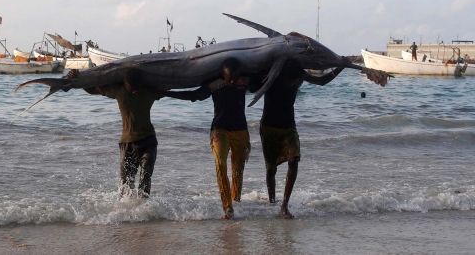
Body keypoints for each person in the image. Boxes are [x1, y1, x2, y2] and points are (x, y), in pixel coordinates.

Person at [159, 58, 256, 219]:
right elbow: (194, 95)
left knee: (238, 169)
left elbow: (262, 83)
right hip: (219, 130)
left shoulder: (245, 80)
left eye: (235, 77)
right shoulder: (214, 83)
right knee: (220, 164)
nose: (232, 81)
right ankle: (228, 208)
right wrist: (167, 93)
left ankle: (236, 200)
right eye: (229, 77)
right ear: (223, 74)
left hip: (241, 131)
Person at [259, 60, 343, 218]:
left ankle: (284, 205)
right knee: (271, 169)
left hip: (289, 127)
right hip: (268, 127)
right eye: (289, 81)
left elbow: (322, 81)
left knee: (293, 160)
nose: (292, 84)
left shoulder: (299, 73)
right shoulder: (273, 73)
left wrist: (340, 68)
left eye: (295, 81)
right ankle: (271, 201)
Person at [65, 68, 162, 198]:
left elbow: (173, 91)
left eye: (137, 88)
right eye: (131, 88)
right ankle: (125, 214)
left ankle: (145, 212)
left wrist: (196, 94)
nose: (134, 91)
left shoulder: (149, 91)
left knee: (145, 179)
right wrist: (76, 78)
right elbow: (92, 90)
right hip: (127, 143)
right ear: (124, 82)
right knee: (126, 185)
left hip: (148, 141)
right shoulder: (118, 90)